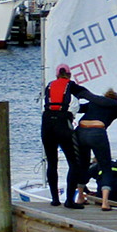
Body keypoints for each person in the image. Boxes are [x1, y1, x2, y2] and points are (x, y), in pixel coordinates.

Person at [42, 64, 97, 206]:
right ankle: (69, 201)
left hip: (47, 125)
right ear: (70, 75)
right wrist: (113, 103)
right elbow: (92, 98)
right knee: (74, 163)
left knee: (52, 162)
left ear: (56, 76)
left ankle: (55, 200)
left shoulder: (48, 86)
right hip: (62, 125)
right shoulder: (72, 86)